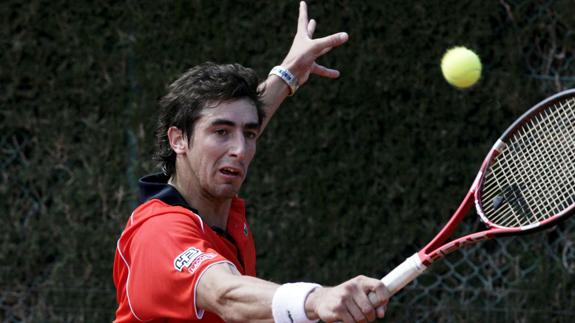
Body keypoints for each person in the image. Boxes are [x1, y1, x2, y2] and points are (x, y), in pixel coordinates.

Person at [113, 2, 390, 322]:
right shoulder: (159, 231)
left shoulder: (220, 212)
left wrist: (288, 73)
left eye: (250, 135)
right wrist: (316, 298)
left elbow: (245, 119)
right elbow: (225, 294)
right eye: (220, 132)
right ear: (178, 140)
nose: (240, 149)